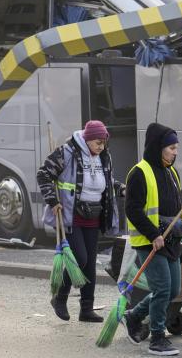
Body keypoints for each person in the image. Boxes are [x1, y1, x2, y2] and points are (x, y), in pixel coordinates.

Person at [122, 122, 182, 356]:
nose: (175, 152)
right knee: (162, 289)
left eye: (176, 147)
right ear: (158, 147)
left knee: (173, 289)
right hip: (150, 241)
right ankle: (157, 338)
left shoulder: (171, 171)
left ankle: (133, 316)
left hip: (171, 239)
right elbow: (133, 209)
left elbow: (175, 198)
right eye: (171, 148)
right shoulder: (139, 172)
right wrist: (153, 234)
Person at [37, 120, 124, 323]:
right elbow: (44, 174)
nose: (101, 146)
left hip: (93, 216)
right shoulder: (67, 152)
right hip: (71, 216)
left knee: (89, 265)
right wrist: (52, 200)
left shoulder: (104, 157)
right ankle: (60, 297)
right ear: (87, 139)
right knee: (80, 259)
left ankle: (86, 309)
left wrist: (121, 189)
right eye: (97, 142)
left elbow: (107, 181)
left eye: (103, 142)